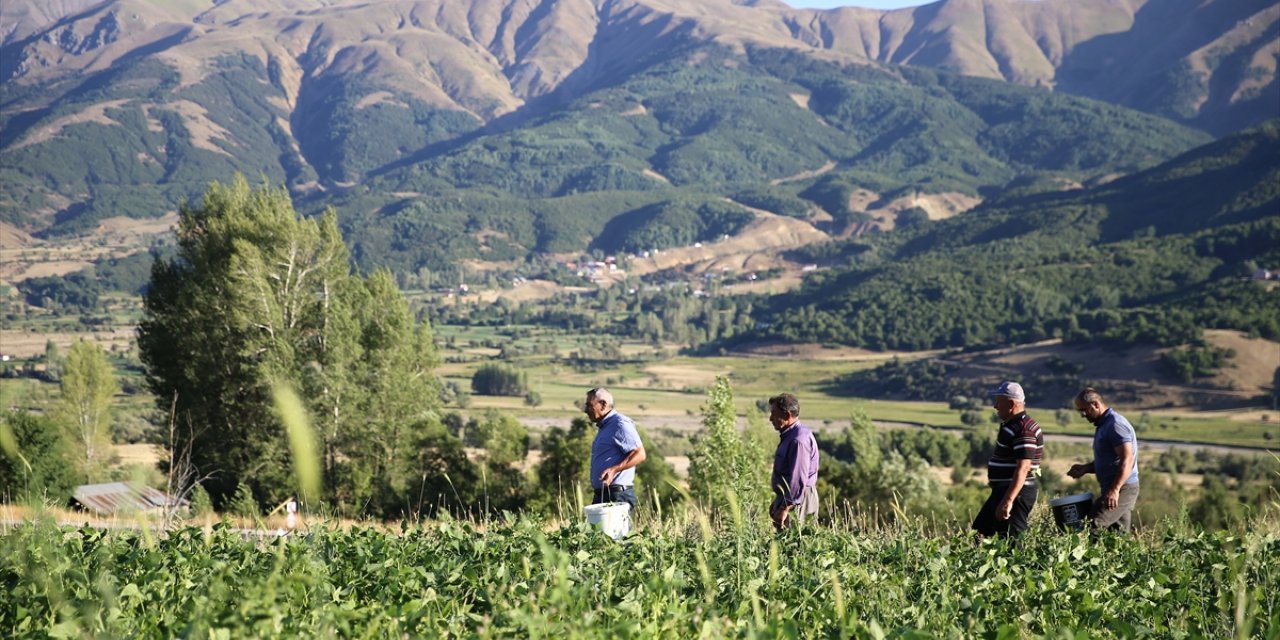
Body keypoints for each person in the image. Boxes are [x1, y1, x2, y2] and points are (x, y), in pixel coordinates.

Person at [972, 381, 1044, 539]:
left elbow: (1023, 468)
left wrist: (1008, 501)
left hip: (1016, 493)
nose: (995, 406)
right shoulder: (1014, 425)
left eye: (998, 401)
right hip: (1004, 491)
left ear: (1011, 404)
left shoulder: (1024, 429)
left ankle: (1021, 565)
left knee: (1012, 541)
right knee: (980, 533)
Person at [1068, 387, 1140, 532]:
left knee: (1093, 524)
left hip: (1123, 488)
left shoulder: (1115, 425)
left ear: (1095, 404)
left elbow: (1127, 459)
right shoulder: (1104, 425)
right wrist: (1086, 468)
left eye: (1084, 410)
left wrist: (1115, 490)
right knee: (1117, 535)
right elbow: (1110, 461)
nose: (1082, 415)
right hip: (1116, 487)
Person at [584, 387, 645, 512]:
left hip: (617, 496)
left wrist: (614, 470)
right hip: (603, 494)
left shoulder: (619, 424)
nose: (586, 410)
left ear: (603, 405)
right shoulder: (605, 426)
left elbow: (640, 454)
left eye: (590, 405)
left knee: (615, 532)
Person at [768, 393, 819, 530]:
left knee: (795, 545)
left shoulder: (798, 440)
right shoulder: (791, 436)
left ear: (786, 415)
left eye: (774, 413)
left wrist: (784, 507)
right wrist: (778, 501)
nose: (770, 418)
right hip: (792, 498)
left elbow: (797, 479)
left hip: (798, 500)